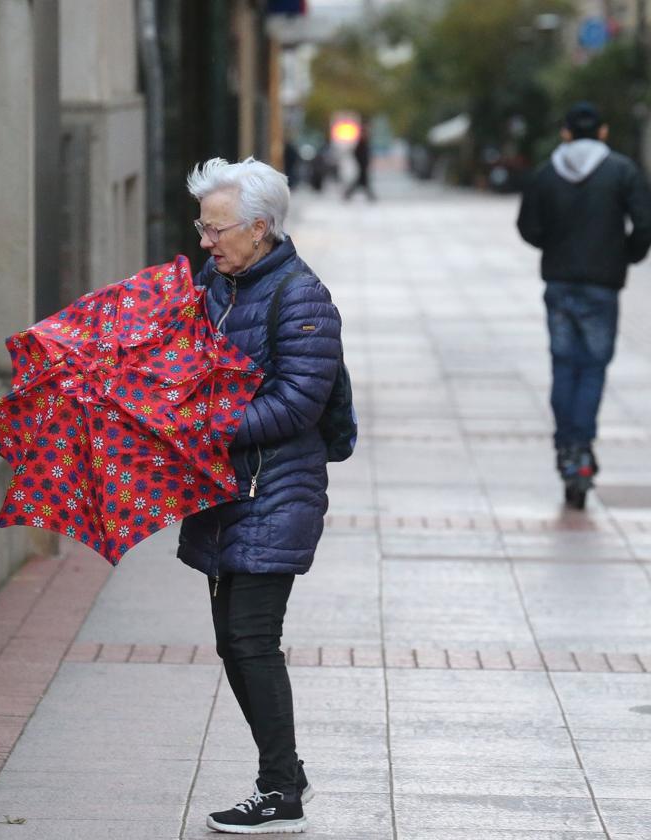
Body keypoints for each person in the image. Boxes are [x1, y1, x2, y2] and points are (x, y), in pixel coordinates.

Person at [181, 157, 343, 834]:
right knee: (231, 641)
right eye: (202, 227)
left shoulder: (301, 297)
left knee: (251, 639)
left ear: (259, 228)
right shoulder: (215, 286)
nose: (205, 241)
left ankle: (281, 792)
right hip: (224, 491)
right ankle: (286, 776)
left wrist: (207, 425)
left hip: (276, 490)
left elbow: (299, 402)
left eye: (215, 230)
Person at [517, 102, 651, 508]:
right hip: (602, 285)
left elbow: (528, 227)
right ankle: (581, 449)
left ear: (565, 133)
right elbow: (647, 221)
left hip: (560, 283)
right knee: (592, 367)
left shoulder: (547, 173)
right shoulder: (622, 171)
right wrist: (625, 254)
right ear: (603, 132)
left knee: (564, 366)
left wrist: (555, 247)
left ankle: (567, 449)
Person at [343, 122, 375, 201]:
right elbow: (357, 153)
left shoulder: (364, 141)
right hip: (362, 165)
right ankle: (348, 194)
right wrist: (361, 162)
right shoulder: (361, 142)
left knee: (362, 182)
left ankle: (348, 194)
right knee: (361, 182)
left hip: (363, 165)